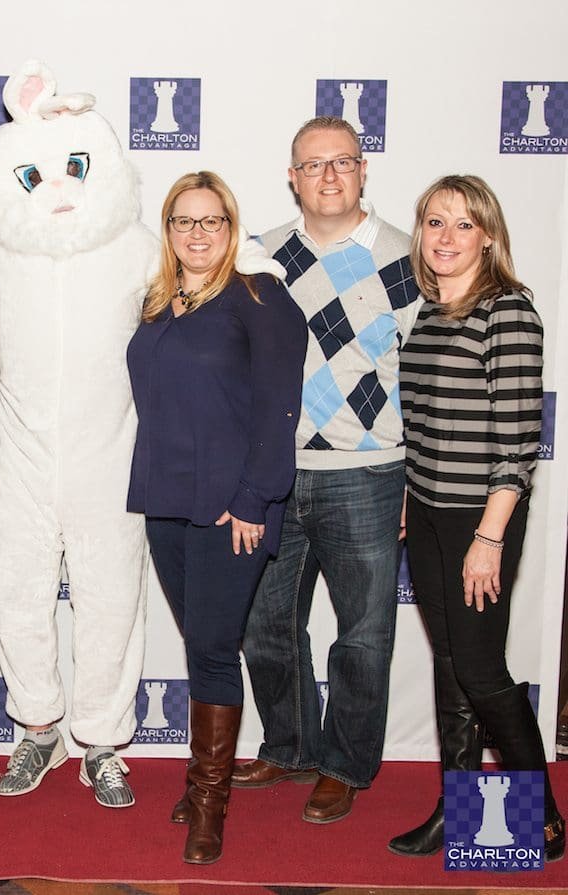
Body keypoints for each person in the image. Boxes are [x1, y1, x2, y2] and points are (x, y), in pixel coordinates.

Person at [238, 116, 422, 823]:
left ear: (363, 170)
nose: (329, 175)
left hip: (369, 475)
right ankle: (289, 747)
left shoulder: (407, 257)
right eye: (313, 165)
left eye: (342, 161)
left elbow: (425, 377)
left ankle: (344, 764)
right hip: (275, 475)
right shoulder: (262, 257)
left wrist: (416, 482)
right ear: (293, 177)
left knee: (364, 635)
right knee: (266, 626)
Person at [127, 171, 306, 864]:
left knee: (211, 648)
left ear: (232, 228)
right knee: (201, 641)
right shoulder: (158, 301)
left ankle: (209, 801)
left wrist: (255, 498)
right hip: (165, 500)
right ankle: (201, 781)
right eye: (184, 221)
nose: (197, 233)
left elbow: (279, 407)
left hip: (233, 506)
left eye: (212, 221)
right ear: (168, 230)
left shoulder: (259, 296)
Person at [389, 174, 563, 861]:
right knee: (452, 663)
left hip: (480, 518)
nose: (447, 237)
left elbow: (518, 442)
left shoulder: (508, 311)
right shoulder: (430, 314)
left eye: (464, 224)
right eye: (435, 222)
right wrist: (412, 497)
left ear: (488, 236)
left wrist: (489, 536)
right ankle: (458, 811)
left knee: (483, 669)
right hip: (430, 513)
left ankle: (542, 817)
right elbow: (424, 425)